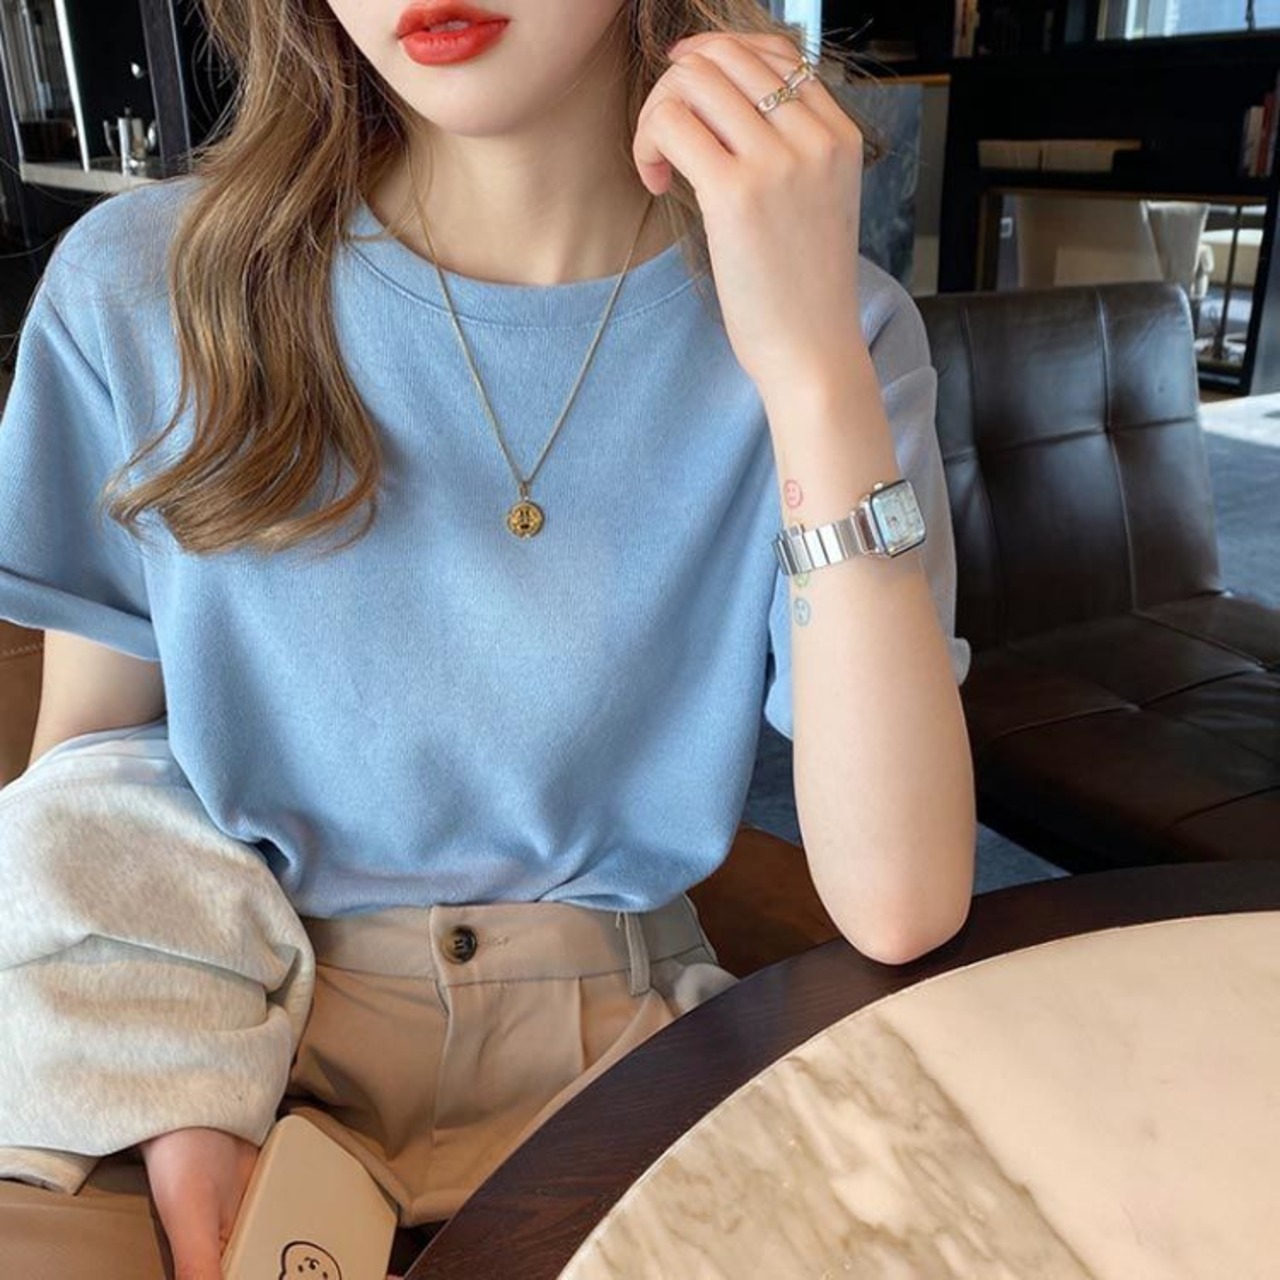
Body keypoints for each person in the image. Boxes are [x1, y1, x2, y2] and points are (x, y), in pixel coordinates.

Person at [0, 0, 976, 1275]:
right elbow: (92, 769)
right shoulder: (143, 286)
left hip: (633, 1073)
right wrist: (170, 1078)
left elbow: (900, 899)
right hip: (212, 1025)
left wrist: (809, 372)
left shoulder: (835, 326)